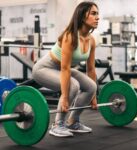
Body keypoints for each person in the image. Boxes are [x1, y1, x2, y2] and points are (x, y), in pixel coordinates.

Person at [32, 1, 99, 137]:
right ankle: (58, 124)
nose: (97, 17)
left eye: (98, 14)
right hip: (44, 68)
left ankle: (72, 121)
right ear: (81, 16)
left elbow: (91, 69)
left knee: (91, 86)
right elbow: (65, 68)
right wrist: (64, 96)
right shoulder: (70, 36)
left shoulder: (91, 40)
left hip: (62, 68)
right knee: (72, 85)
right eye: (93, 13)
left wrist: (93, 97)